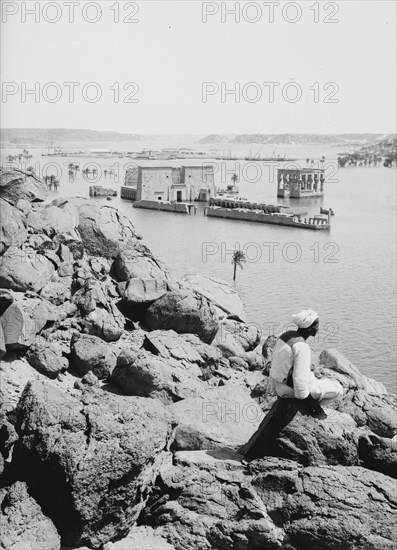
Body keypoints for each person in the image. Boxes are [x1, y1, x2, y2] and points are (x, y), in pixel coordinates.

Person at [269, 309, 343, 406]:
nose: (318, 328)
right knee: (338, 389)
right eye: (316, 325)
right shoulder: (301, 346)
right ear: (309, 328)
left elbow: (276, 363)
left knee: (324, 381)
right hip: (290, 391)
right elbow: (299, 379)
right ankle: (309, 407)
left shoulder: (285, 335)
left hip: (279, 386)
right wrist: (309, 402)